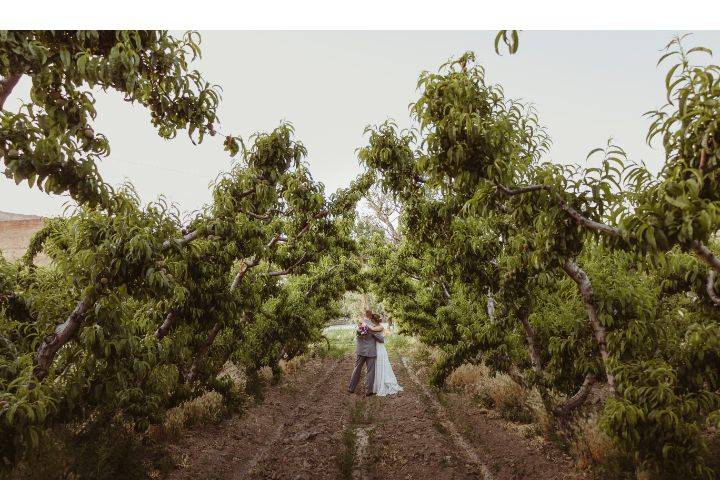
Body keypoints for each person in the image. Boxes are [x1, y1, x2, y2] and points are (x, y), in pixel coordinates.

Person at [347, 309, 385, 396]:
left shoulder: (359, 324)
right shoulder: (372, 326)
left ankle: (351, 388)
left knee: (357, 369)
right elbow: (380, 339)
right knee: (370, 371)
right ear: (371, 316)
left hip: (360, 350)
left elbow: (357, 335)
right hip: (371, 351)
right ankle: (368, 391)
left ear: (364, 315)